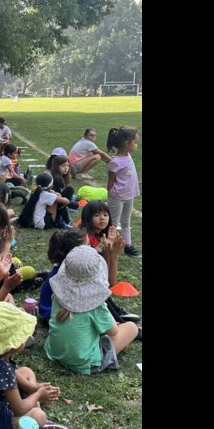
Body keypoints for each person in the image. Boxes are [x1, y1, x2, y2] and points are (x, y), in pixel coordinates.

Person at [45, 246, 141, 374]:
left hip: (55, 351)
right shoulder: (96, 306)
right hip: (85, 361)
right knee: (131, 327)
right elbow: (114, 331)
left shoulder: (57, 296)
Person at [105, 126, 141, 257]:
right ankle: (109, 246)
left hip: (128, 195)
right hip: (117, 197)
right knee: (113, 223)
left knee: (126, 222)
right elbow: (111, 182)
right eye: (135, 142)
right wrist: (113, 194)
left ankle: (128, 245)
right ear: (126, 144)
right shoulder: (115, 161)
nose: (136, 145)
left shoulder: (128, 155)